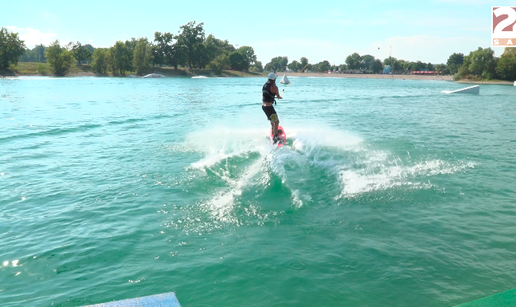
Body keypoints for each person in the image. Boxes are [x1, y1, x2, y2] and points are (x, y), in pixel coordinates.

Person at [262, 72, 283, 143]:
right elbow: (278, 96)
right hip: (269, 107)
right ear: (274, 79)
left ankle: (274, 129)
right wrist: (280, 96)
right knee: (277, 121)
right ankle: (275, 136)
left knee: (271, 119)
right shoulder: (275, 87)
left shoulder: (264, 85)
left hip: (264, 107)